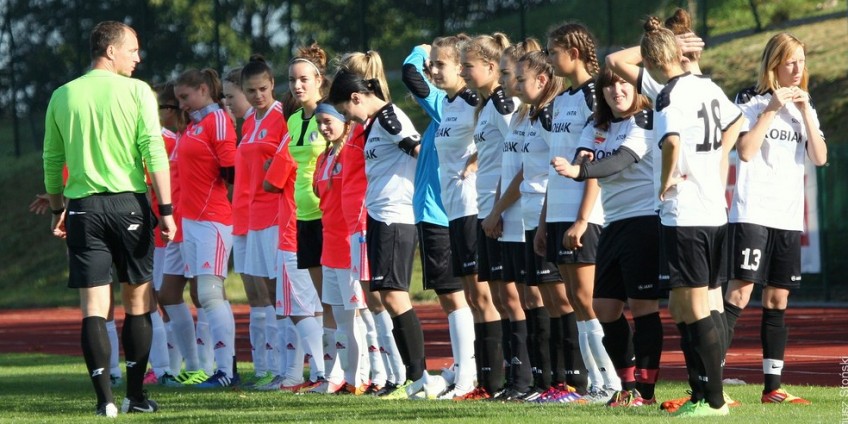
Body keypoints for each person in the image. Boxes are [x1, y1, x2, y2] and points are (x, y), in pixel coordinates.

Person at [42, 20, 174, 417]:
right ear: (111, 50)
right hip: (130, 206)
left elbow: (52, 160)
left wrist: (55, 208)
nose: (138, 57)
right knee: (137, 302)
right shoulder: (137, 92)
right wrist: (165, 210)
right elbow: (154, 152)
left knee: (94, 307)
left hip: (83, 207)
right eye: (133, 49)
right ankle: (136, 396)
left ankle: (105, 402)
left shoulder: (62, 95)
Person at [643, 16, 743, 417]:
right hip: (712, 210)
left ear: (652, 62)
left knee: (694, 305)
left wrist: (666, 182)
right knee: (684, 307)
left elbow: (670, 142)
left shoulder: (668, 95)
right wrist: (717, 162)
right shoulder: (707, 85)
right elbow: (736, 122)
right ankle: (701, 392)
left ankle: (715, 401)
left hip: (684, 212)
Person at [328, 69, 446, 400]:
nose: (345, 117)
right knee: (385, 294)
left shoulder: (390, 118)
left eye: (344, 110)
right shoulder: (374, 123)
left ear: (356, 98)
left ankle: (419, 376)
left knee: (394, 295)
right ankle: (411, 377)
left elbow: (421, 152)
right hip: (379, 216)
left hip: (396, 216)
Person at [724, 32, 826, 405]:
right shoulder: (749, 100)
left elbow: (820, 157)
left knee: (778, 299)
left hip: (787, 217)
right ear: (773, 65)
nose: (798, 69)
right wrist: (771, 108)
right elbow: (746, 151)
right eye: (790, 62)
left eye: (801, 60)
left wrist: (803, 112)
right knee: (739, 292)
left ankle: (772, 388)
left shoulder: (806, 105)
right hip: (753, 211)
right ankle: (711, 381)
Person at [552, 67, 660, 406]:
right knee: (604, 307)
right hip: (613, 222)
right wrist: (578, 162)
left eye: (624, 83)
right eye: (610, 85)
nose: (617, 90)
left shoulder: (643, 120)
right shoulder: (596, 124)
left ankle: (645, 391)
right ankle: (626, 384)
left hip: (644, 221)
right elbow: (583, 154)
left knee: (643, 309)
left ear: (636, 88)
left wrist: (579, 170)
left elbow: (619, 162)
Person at [538, 21, 602, 402]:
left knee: (588, 299)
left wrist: (582, 218)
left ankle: (606, 379)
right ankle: (593, 381)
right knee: (576, 301)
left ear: (573, 53)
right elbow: (552, 164)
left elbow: (595, 157)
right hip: (558, 208)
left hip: (586, 212)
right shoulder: (561, 100)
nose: (549, 58)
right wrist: (546, 219)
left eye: (553, 51)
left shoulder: (594, 96)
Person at [480, 38, 541, 401]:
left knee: (529, 296)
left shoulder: (521, 111)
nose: (504, 81)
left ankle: (536, 378)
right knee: (509, 296)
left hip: (522, 216)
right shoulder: (517, 113)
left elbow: (524, 173)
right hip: (505, 214)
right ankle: (519, 379)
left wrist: (499, 209)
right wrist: (494, 208)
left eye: (508, 73)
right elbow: (507, 167)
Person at [459, 33, 520, 399]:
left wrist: (499, 208)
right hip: (486, 209)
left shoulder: (502, 103)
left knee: (512, 297)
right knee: (498, 297)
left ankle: (525, 378)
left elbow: (517, 154)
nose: (464, 72)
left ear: (491, 67)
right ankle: (497, 381)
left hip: (504, 210)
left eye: (468, 65)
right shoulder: (485, 105)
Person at [174, 67, 239, 388]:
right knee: (202, 294)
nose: (182, 104)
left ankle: (227, 371)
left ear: (202, 89)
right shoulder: (196, 124)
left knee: (211, 294)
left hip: (212, 220)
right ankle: (215, 366)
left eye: (185, 97)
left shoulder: (218, 121)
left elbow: (232, 170)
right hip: (192, 222)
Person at [335, 51, 395, 394]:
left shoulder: (373, 123)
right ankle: (380, 372)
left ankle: (388, 371)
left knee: (375, 299)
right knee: (368, 300)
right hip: (355, 220)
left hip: (365, 217)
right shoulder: (359, 128)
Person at [512, 49, 569, 402]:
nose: (515, 86)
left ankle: (571, 380)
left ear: (542, 80)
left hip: (549, 215)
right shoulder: (535, 115)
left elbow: (554, 171)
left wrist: (547, 221)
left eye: (520, 79)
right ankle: (549, 382)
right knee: (545, 299)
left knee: (562, 299)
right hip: (532, 217)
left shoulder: (551, 116)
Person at [155, 81, 210, 386]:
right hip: (170, 228)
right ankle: (186, 364)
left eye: (159, 107)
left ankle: (209, 363)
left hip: (191, 224)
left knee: (203, 294)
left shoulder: (182, 138)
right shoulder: (170, 139)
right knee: (166, 294)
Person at [238, 56, 288, 388]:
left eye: (263, 89)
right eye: (251, 90)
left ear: (271, 84)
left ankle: (289, 368)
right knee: (262, 293)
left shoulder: (281, 117)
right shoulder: (247, 122)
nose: (258, 96)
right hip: (251, 214)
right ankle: (269, 366)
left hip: (275, 212)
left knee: (278, 290)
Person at [313, 102, 368, 394]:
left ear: (345, 122)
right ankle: (343, 377)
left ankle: (360, 378)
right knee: (337, 317)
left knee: (354, 315)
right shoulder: (324, 157)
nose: (323, 127)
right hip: (329, 247)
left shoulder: (352, 151)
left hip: (349, 245)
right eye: (320, 123)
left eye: (328, 121)